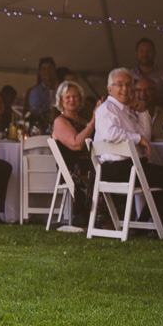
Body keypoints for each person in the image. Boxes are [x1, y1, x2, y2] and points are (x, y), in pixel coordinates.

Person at [94, 68, 163, 232]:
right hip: (117, 170)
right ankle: (156, 225)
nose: (125, 89)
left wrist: (142, 112)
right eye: (119, 85)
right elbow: (112, 133)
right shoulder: (107, 109)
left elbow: (145, 135)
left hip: (131, 168)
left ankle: (147, 225)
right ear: (109, 89)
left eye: (128, 84)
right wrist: (138, 139)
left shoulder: (127, 111)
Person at [51, 81, 96, 227]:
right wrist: (92, 123)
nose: (72, 100)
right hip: (70, 168)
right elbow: (76, 144)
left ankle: (101, 216)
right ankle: (86, 215)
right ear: (61, 101)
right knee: (95, 171)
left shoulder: (83, 121)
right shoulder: (60, 121)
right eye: (68, 97)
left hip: (86, 163)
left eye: (75, 97)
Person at [131, 37, 163, 121]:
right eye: (142, 51)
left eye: (148, 51)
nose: (145, 54)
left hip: (160, 121)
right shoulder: (129, 76)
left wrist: (153, 103)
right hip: (134, 121)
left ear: (154, 53)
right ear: (136, 53)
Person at [25, 56, 59, 132]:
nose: (47, 71)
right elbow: (36, 113)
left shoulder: (60, 90)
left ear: (54, 70)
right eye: (44, 69)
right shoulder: (36, 91)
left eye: (50, 68)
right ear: (40, 72)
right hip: (42, 130)